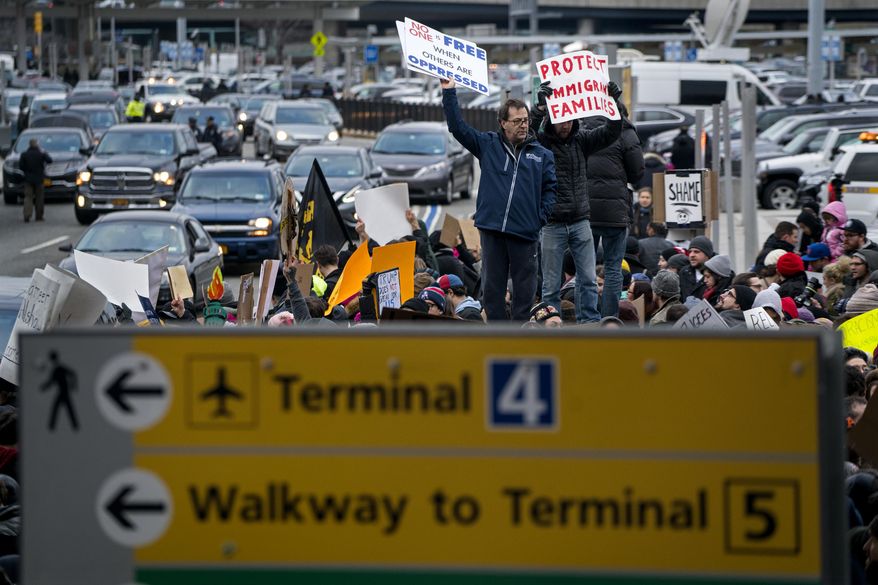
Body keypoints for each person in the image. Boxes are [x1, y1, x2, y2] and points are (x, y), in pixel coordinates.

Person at [441, 77, 556, 321]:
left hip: (525, 233)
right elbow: (457, 127)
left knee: (524, 294)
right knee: (492, 293)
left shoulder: (542, 155)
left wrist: (539, 218)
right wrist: (449, 91)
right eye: (517, 121)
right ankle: (497, 338)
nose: (523, 125)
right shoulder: (488, 145)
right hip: (492, 230)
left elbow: (551, 190)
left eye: (525, 120)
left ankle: (519, 339)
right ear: (503, 123)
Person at [529, 79, 622, 323]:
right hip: (553, 223)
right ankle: (551, 324)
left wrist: (614, 104)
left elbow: (612, 131)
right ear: (553, 119)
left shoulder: (582, 140)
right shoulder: (543, 143)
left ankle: (589, 322)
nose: (566, 125)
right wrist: (539, 110)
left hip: (581, 220)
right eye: (562, 120)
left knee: (589, 279)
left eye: (570, 120)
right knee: (550, 283)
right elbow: (528, 133)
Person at [581, 102, 644, 318]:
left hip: (585, 210)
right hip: (615, 212)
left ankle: (586, 318)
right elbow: (637, 173)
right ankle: (609, 319)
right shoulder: (625, 131)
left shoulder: (582, 129)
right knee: (613, 269)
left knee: (585, 268)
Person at [18, 138, 53, 223]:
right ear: (37, 144)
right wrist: (44, 153)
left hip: (28, 179)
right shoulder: (41, 154)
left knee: (28, 197)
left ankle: (27, 215)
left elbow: (21, 166)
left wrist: (26, 172)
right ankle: (39, 216)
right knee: (39, 198)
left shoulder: (24, 154)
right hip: (39, 179)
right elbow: (50, 160)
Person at [679, 235, 715, 300]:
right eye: (690, 252)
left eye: (696, 252)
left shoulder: (717, 274)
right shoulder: (684, 272)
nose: (691, 255)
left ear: (707, 255)